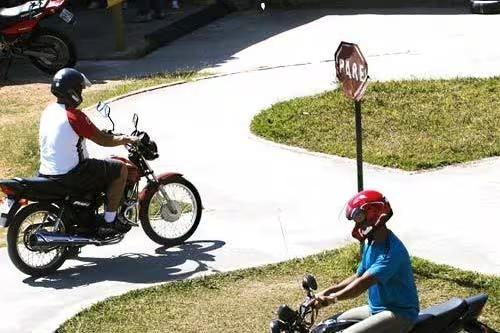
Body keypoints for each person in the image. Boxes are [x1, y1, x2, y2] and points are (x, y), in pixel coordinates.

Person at [39, 68, 139, 237]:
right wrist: (126, 139)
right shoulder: (74, 116)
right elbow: (103, 140)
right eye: (80, 89)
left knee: (101, 166)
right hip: (72, 173)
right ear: (73, 91)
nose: (81, 93)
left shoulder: (48, 111)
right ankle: (109, 222)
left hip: (47, 172)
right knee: (119, 169)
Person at [313, 190, 420, 333]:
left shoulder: (390, 253)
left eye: (359, 217)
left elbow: (361, 285)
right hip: (375, 308)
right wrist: (327, 291)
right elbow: (358, 276)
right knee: (328, 325)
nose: (357, 225)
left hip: (399, 314)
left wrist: (332, 299)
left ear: (374, 214)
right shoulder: (372, 243)